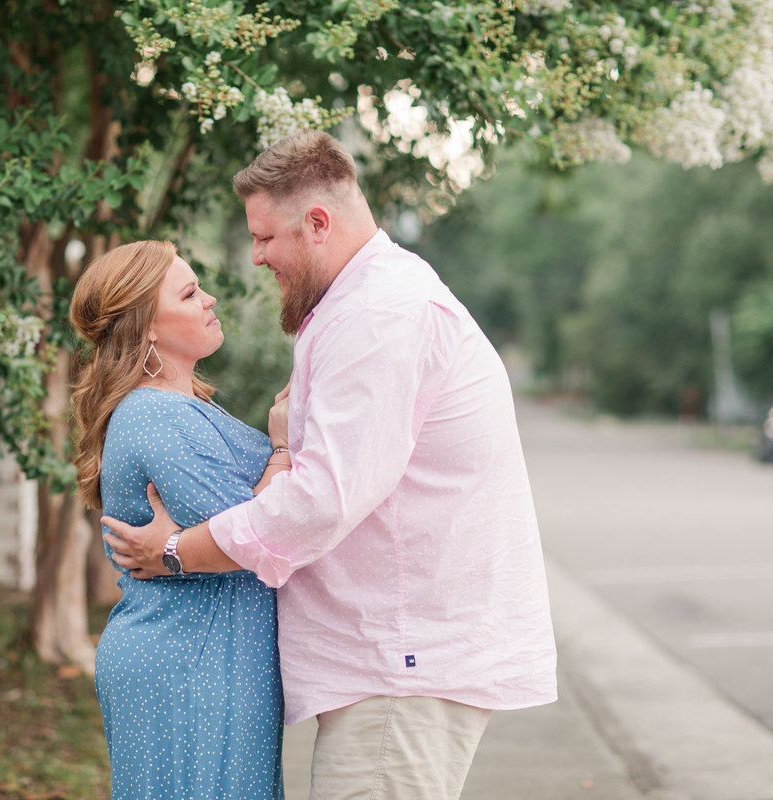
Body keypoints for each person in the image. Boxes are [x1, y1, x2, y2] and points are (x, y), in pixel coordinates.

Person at [103, 131, 558, 800]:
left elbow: (321, 501)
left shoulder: (378, 317)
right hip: (391, 666)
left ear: (317, 223)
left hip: (398, 668)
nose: (256, 258)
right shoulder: (366, 304)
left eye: (265, 238)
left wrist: (176, 551)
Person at [69, 240, 288, 800]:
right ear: (147, 328)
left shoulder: (180, 405)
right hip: (188, 665)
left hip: (208, 658)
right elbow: (257, 529)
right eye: (190, 293)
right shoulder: (155, 417)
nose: (210, 299)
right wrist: (283, 450)